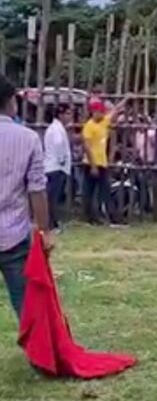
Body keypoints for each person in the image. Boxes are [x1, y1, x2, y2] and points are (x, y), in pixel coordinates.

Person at [0, 76, 53, 318]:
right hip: (14, 233)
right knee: (26, 302)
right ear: (11, 101)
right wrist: (43, 231)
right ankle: (37, 351)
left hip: (13, 232)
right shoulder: (28, 138)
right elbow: (37, 190)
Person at [82, 96, 129, 225]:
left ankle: (111, 217)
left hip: (102, 163)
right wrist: (92, 166)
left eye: (102, 112)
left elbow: (115, 110)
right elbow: (86, 146)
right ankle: (90, 217)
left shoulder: (103, 122)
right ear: (93, 112)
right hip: (91, 164)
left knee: (105, 191)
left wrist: (126, 98)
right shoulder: (89, 126)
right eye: (98, 112)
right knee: (89, 192)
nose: (101, 114)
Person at [44, 104, 72, 233]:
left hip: (53, 166)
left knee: (52, 197)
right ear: (60, 115)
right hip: (55, 167)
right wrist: (62, 159)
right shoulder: (56, 129)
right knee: (52, 198)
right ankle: (51, 225)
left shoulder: (56, 128)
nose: (70, 116)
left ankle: (52, 223)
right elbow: (58, 143)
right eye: (67, 113)